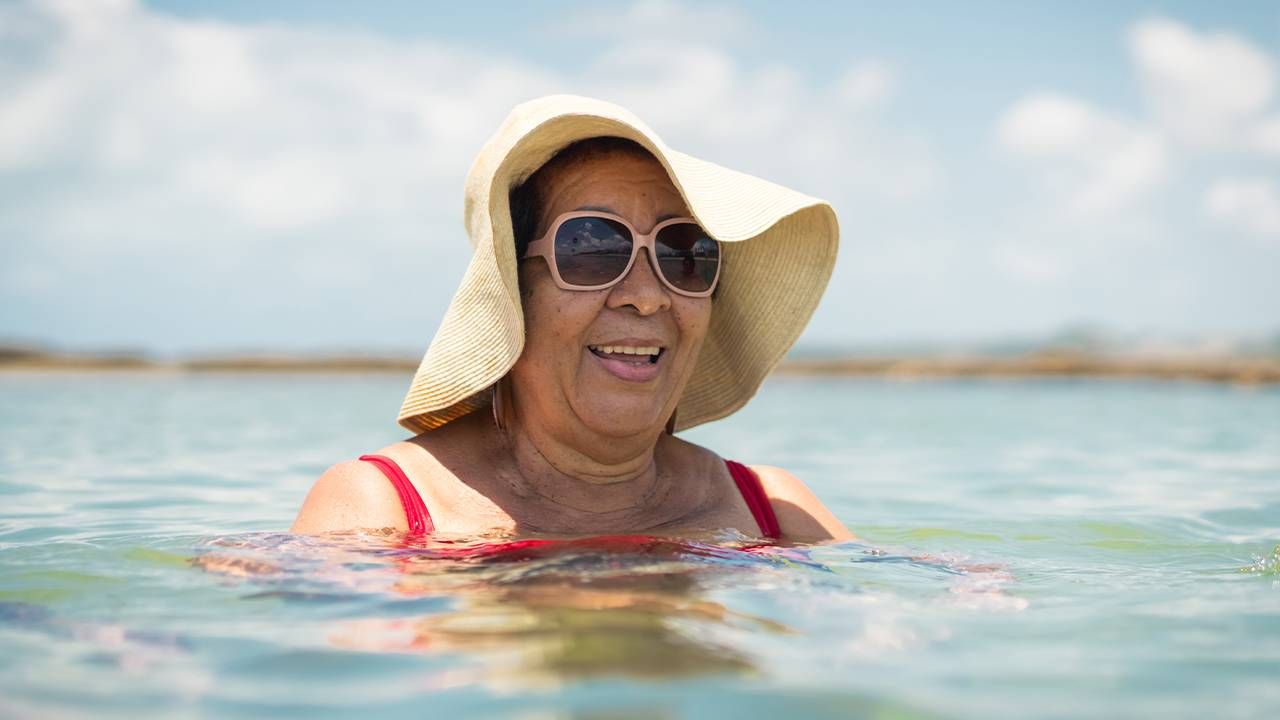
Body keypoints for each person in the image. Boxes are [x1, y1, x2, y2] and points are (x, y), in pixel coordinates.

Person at [292, 95, 853, 543]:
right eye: (592, 247)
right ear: (511, 292)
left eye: (685, 253)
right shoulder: (384, 506)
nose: (647, 296)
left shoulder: (771, 508)